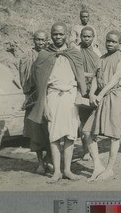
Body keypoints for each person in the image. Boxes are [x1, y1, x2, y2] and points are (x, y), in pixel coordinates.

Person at [27, 22, 87, 183]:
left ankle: (67, 170)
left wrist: (79, 97)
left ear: (67, 34)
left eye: (61, 34)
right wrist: (44, 105)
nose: (58, 37)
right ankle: (57, 172)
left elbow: (80, 77)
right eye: (55, 34)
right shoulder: (44, 55)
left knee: (70, 135)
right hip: (52, 96)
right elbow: (40, 85)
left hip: (70, 96)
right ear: (51, 35)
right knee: (54, 135)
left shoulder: (74, 53)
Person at [82, 30, 121, 181]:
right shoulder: (101, 58)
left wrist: (101, 94)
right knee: (87, 132)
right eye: (108, 41)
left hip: (115, 96)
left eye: (114, 41)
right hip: (101, 97)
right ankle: (98, 166)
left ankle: (109, 169)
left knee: (114, 135)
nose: (110, 43)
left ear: (120, 43)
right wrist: (91, 94)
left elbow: (115, 78)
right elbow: (96, 77)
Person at [19, 30, 51, 174]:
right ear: (33, 40)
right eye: (37, 39)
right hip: (34, 98)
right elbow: (25, 79)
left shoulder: (51, 54)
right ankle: (40, 163)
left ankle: (49, 159)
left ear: (47, 40)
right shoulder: (28, 57)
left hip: (50, 96)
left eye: (43, 40)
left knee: (51, 129)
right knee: (36, 131)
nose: (40, 42)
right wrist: (27, 96)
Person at [78, 26, 101, 160]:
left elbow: (100, 69)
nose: (86, 39)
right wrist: (87, 75)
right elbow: (75, 69)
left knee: (93, 121)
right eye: (84, 36)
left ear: (93, 38)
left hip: (94, 90)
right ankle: (85, 149)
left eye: (89, 36)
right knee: (82, 121)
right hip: (81, 89)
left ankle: (93, 149)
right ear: (80, 36)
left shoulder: (97, 52)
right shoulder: (75, 51)